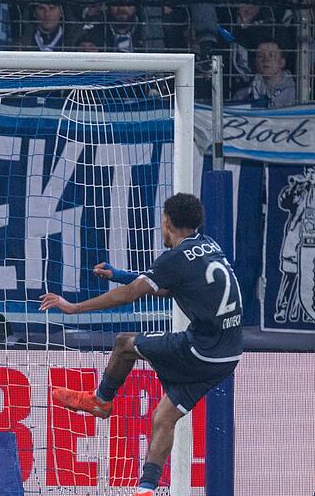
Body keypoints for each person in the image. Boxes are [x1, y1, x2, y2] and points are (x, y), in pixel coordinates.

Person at [40, 193, 242, 496]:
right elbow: (169, 286)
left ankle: (101, 400)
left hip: (201, 349)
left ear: (167, 220)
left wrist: (73, 307)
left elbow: (130, 295)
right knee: (165, 416)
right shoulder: (209, 245)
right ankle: (146, 489)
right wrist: (120, 275)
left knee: (124, 344)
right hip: (228, 354)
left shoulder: (175, 258)